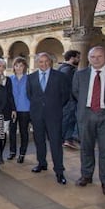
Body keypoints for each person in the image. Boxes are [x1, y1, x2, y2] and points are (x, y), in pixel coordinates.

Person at [27, 52, 70, 184]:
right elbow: (30, 95)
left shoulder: (60, 76)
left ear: (50, 62)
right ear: (37, 63)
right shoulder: (31, 77)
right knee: (39, 141)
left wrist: (53, 107)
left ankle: (59, 171)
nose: (44, 64)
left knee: (55, 143)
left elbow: (65, 96)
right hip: (37, 115)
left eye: (46, 61)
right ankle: (42, 163)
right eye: (41, 61)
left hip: (54, 115)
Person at [72, 46, 105, 195]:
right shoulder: (80, 75)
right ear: (88, 59)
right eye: (93, 57)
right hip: (86, 115)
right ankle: (86, 175)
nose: (96, 59)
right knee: (86, 148)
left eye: (99, 56)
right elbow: (76, 93)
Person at [0, 58, 16, 164]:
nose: (1, 68)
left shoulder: (8, 80)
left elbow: (10, 95)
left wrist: (13, 109)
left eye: (3, 66)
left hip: (6, 110)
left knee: (3, 133)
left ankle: (0, 154)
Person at [8, 57, 30, 163]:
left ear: (25, 67)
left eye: (21, 65)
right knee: (12, 131)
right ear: (14, 67)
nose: (18, 68)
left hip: (25, 109)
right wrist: (11, 108)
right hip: (13, 110)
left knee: (23, 132)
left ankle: (22, 153)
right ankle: (12, 152)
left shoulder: (29, 79)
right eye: (16, 65)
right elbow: (9, 95)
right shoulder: (10, 79)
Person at [58, 50, 81, 149]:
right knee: (67, 120)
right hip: (69, 99)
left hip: (67, 99)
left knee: (69, 119)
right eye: (78, 57)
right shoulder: (68, 70)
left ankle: (67, 139)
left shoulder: (62, 68)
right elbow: (69, 87)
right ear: (72, 58)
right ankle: (64, 139)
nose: (79, 59)